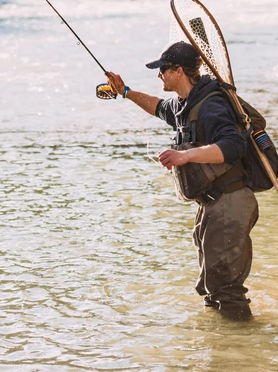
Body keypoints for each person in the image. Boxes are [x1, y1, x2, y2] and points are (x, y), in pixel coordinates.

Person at [105, 41, 258, 320]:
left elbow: (234, 146)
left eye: (162, 70)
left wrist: (185, 157)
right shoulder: (186, 103)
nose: (159, 75)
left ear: (177, 71)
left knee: (226, 290)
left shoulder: (211, 105)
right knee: (213, 288)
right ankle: (225, 348)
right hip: (214, 204)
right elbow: (159, 108)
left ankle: (242, 346)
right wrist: (125, 92)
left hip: (230, 202)